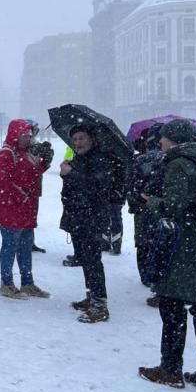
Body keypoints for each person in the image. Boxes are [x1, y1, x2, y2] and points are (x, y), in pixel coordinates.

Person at [138, 119, 196, 392]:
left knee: (172, 308)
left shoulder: (178, 164)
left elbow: (174, 207)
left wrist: (150, 201)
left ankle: (170, 369)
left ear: (173, 139)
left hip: (184, 247)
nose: (160, 142)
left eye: (163, 138)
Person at [0, 119, 51, 300]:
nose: (28, 138)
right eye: (24, 135)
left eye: (29, 135)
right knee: (10, 246)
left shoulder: (26, 153)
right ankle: (6, 284)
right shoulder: (6, 153)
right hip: (10, 211)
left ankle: (27, 283)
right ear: (15, 134)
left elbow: (33, 174)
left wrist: (45, 162)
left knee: (25, 247)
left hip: (25, 210)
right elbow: (4, 182)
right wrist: (22, 196)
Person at [60, 124, 114, 323]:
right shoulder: (80, 159)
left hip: (92, 218)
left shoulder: (101, 159)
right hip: (78, 217)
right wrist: (68, 171)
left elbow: (97, 186)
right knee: (85, 259)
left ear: (91, 138)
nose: (77, 142)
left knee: (93, 261)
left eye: (81, 138)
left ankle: (100, 305)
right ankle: (92, 296)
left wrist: (70, 174)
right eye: (75, 139)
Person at [126, 125, 165, 306]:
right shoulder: (170, 159)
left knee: (143, 243)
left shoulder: (139, 160)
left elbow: (131, 185)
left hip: (143, 209)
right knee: (163, 243)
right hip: (164, 209)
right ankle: (161, 278)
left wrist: (136, 202)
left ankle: (146, 275)